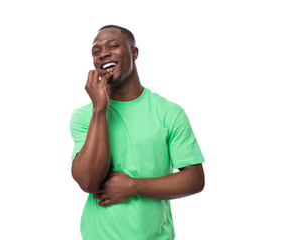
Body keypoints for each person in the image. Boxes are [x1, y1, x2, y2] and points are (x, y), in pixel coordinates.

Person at [70, 25, 205, 240]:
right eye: (96, 52)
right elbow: (89, 182)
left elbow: (195, 179)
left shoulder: (169, 112)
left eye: (112, 46)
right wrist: (99, 109)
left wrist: (134, 186)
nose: (103, 53)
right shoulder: (85, 117)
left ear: (134, 53)